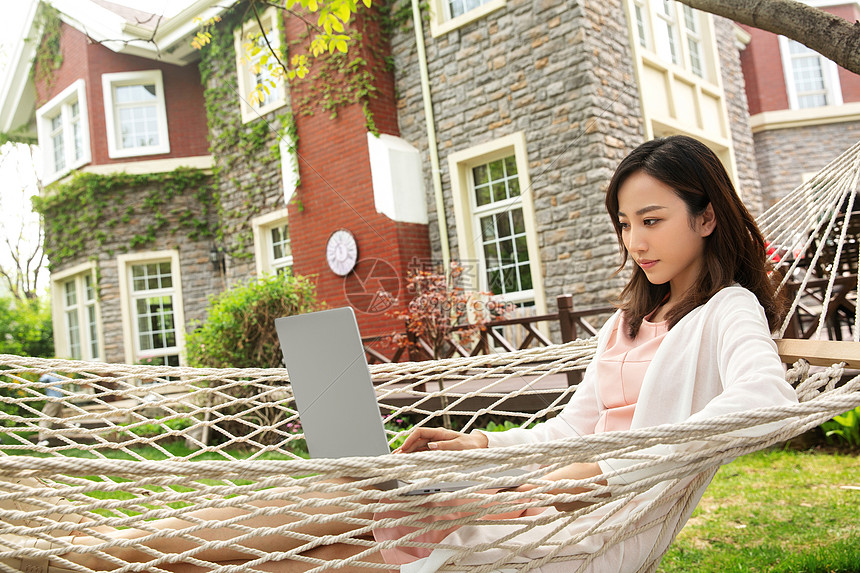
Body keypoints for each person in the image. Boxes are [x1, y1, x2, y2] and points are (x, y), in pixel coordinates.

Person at [2, 136, 798, 573]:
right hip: (532, 491)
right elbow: (571, 426)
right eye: (624, 223)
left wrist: (605, 468)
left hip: (587, 528)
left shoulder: (725, 312)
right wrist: (481, 442)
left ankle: (80, 556)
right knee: (345, 502)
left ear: (704, 217)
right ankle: (91, 557)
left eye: (652, 219)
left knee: (337, 539)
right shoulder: (633, 317)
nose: (634, 240)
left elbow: (768, 402)